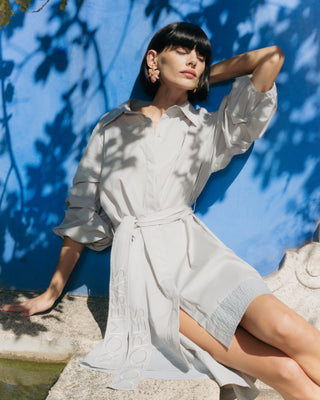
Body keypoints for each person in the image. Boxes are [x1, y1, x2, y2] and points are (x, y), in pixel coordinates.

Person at [2, 22, 320, 400]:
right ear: (154, 58)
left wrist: (200, 80)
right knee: (282, 370)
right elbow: (82, 214)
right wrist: (50, 294)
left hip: (202, 258)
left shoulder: (207, 128)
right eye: (184, 51)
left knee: (288, 330)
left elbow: (271, 58)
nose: (195, 61)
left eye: (201, 57)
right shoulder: (110, 129)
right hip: (145, 278)